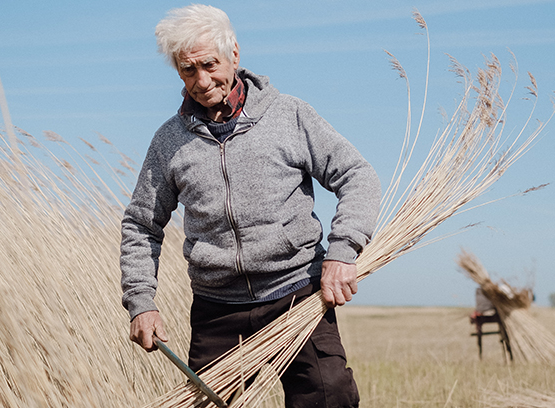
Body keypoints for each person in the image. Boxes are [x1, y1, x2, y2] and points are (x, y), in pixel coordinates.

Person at [120, 4, 380, 407]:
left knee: (332, 400)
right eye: (188, 70)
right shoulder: (169, 142)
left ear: (234, 55)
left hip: (297, 294)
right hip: (218, 309)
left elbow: (357, 175)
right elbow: (141, 225)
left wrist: (344, 250)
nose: (202, 81)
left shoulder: (288, 115)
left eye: (210, 64)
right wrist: (141, 302)